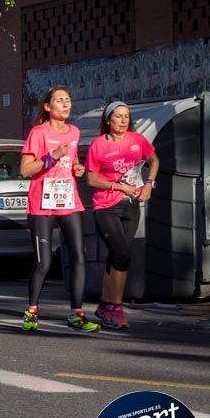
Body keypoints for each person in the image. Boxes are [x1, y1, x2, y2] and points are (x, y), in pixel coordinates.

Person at [21, 85, 99, 334]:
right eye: (59, 100)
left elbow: (73, 162)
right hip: (42, 204)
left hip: (68, 201)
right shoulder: (38, 132)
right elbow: (25, 170)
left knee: (78, 256)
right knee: (44, 262)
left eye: (68, 100)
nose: (66, 104)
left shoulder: (74, 132)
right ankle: (32, 310)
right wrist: (51, 155)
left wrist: (78, 169)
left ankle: (76, 313)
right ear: (48, 106)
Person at [85, 100, 158, 330]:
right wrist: (119, 187)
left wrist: (149, 185)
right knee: (122, 253)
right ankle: (115, 307)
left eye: (127, 116)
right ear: (108, 120)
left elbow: (154, 161)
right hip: (106, 206)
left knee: (118, 256)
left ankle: (105, 307)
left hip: (131, 206)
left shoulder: (137, 140)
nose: (124, 120)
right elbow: (91, 179)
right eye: (118, 116)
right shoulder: (99, 145)